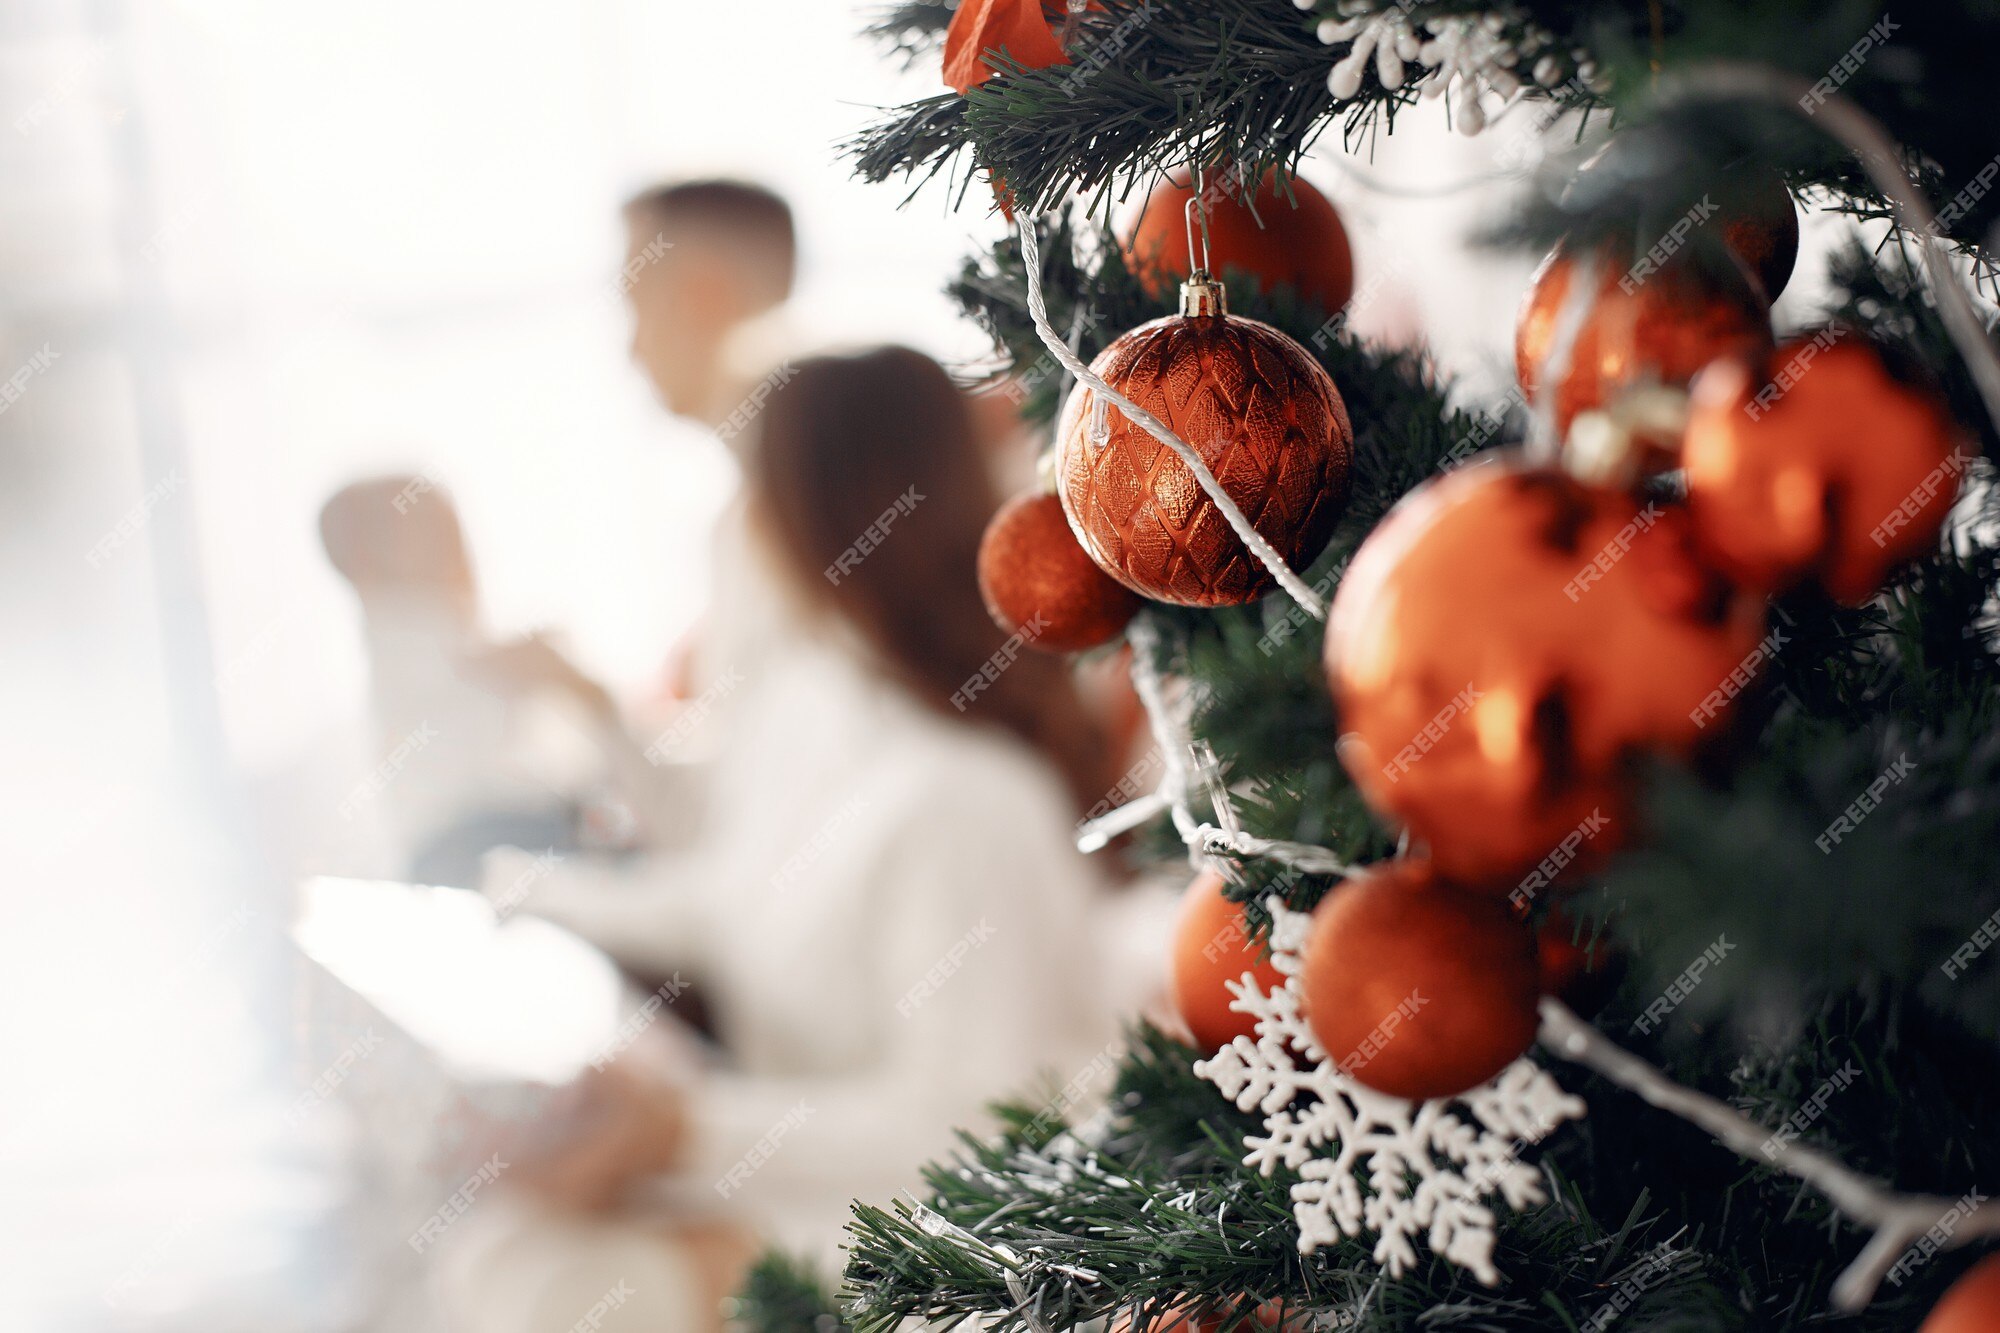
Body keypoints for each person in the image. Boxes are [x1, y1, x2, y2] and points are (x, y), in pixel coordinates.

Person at [436, 348, 1146, 1333]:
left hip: (942, 1222)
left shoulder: (962, 798)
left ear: (793, 514)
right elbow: (732, 892)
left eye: (744, 494)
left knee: (537, 1281)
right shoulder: (806, 712)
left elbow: (985, 1128)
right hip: (808, 1154)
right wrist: (521, 898)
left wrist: (688, 1132)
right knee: (505, 1233)